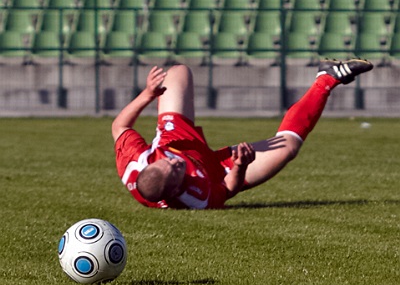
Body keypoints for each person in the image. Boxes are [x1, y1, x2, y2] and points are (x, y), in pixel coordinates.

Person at [112, 58, 373, 210]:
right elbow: (228, 189)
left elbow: (119, 127)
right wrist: (239, 165)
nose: (175, 162)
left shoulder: (135, 163)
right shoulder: (196, 197)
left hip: (178, 138)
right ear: (177, 188)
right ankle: (327, 78)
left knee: (178, 72)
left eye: (166, 162)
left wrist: (147, 94)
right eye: (177, 169)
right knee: (289, 147)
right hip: (216, 170)